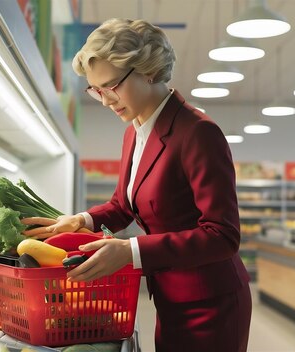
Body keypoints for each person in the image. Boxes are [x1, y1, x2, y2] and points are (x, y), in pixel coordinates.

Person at [24, 19, 251, 352]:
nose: (104, 100)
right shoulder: (135, 130)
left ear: (148, 70)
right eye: (95, 89)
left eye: (111, 85)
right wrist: (82, 220)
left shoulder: (197, 131)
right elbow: (122, 205)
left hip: (211, 302)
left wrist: (131, 252)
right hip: (171, 294)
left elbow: (223, 235)